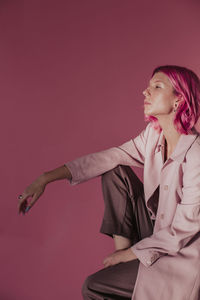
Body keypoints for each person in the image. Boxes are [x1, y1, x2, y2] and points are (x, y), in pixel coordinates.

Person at [18, 65, 200, 300]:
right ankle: (120, 254)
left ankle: (123, 258)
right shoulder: (153, 137)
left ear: (179, 101)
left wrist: (131, 254)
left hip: (180, 254)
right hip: (155, 233)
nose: (145, 92)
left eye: (157, 87)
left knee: (93, 286)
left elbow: (181, 232)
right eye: (148, 86)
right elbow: (108, 158)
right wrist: (46, 178)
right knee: (115, 170)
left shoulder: (196, 155)